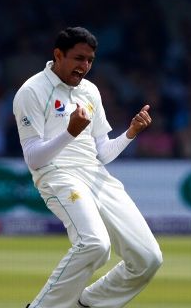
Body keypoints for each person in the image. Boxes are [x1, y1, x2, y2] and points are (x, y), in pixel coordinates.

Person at [13, 27, 162, 308]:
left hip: (94, 173)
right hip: (57, 174)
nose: (84, 67)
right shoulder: (31, 91)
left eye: (90, 60)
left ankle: (89, 303)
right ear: (58, 55)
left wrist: (130, 133)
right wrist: (69, 132)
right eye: (79, 58)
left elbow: (102, 153)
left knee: (148, 258)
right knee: (94, 244)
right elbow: (33, 158)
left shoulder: (90, 91)